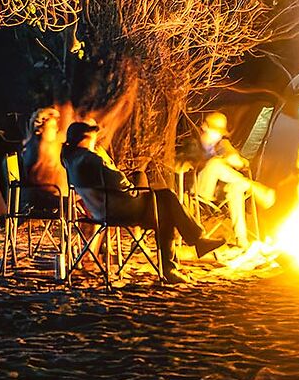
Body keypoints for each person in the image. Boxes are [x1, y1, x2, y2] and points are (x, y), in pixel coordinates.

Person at [61, 120, 223, 281]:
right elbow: (118, 182)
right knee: (167, 197)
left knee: (165, 213)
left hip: (101, 210)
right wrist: (120, 174)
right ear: (86, 138)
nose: (96, 140)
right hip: (119, 210)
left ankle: (177, 262)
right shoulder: (92, 159)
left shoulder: (70, 159)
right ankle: (186, 251)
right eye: (93, 137)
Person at [178, 110, 276, 249]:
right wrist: (213, 161)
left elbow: (241, 162)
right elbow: (182, 165)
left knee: (235, 189)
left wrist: (234, 158)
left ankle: (241, 239)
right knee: (215, 163)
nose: (218, 135)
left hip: (218, 192)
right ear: (205, 127)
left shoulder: (222, 144)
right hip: (199, 188)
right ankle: (253, 187)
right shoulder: (192, 144)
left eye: (220, 132)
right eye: (215, 131)